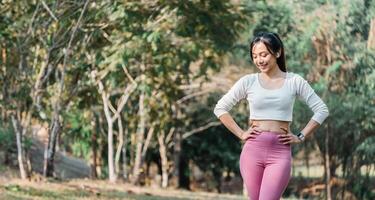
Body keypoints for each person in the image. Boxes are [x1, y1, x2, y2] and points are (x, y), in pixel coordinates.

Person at [213, 32, 329, 200]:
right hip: (252, 151)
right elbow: (220, 108)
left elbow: (322, 110)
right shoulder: (248, 81)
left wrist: (301, 136)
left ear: (278, 52)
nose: (259, 60)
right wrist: (241, 133)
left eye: (264, 54)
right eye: (255, 56)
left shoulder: (294, 81)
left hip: (279, 153)